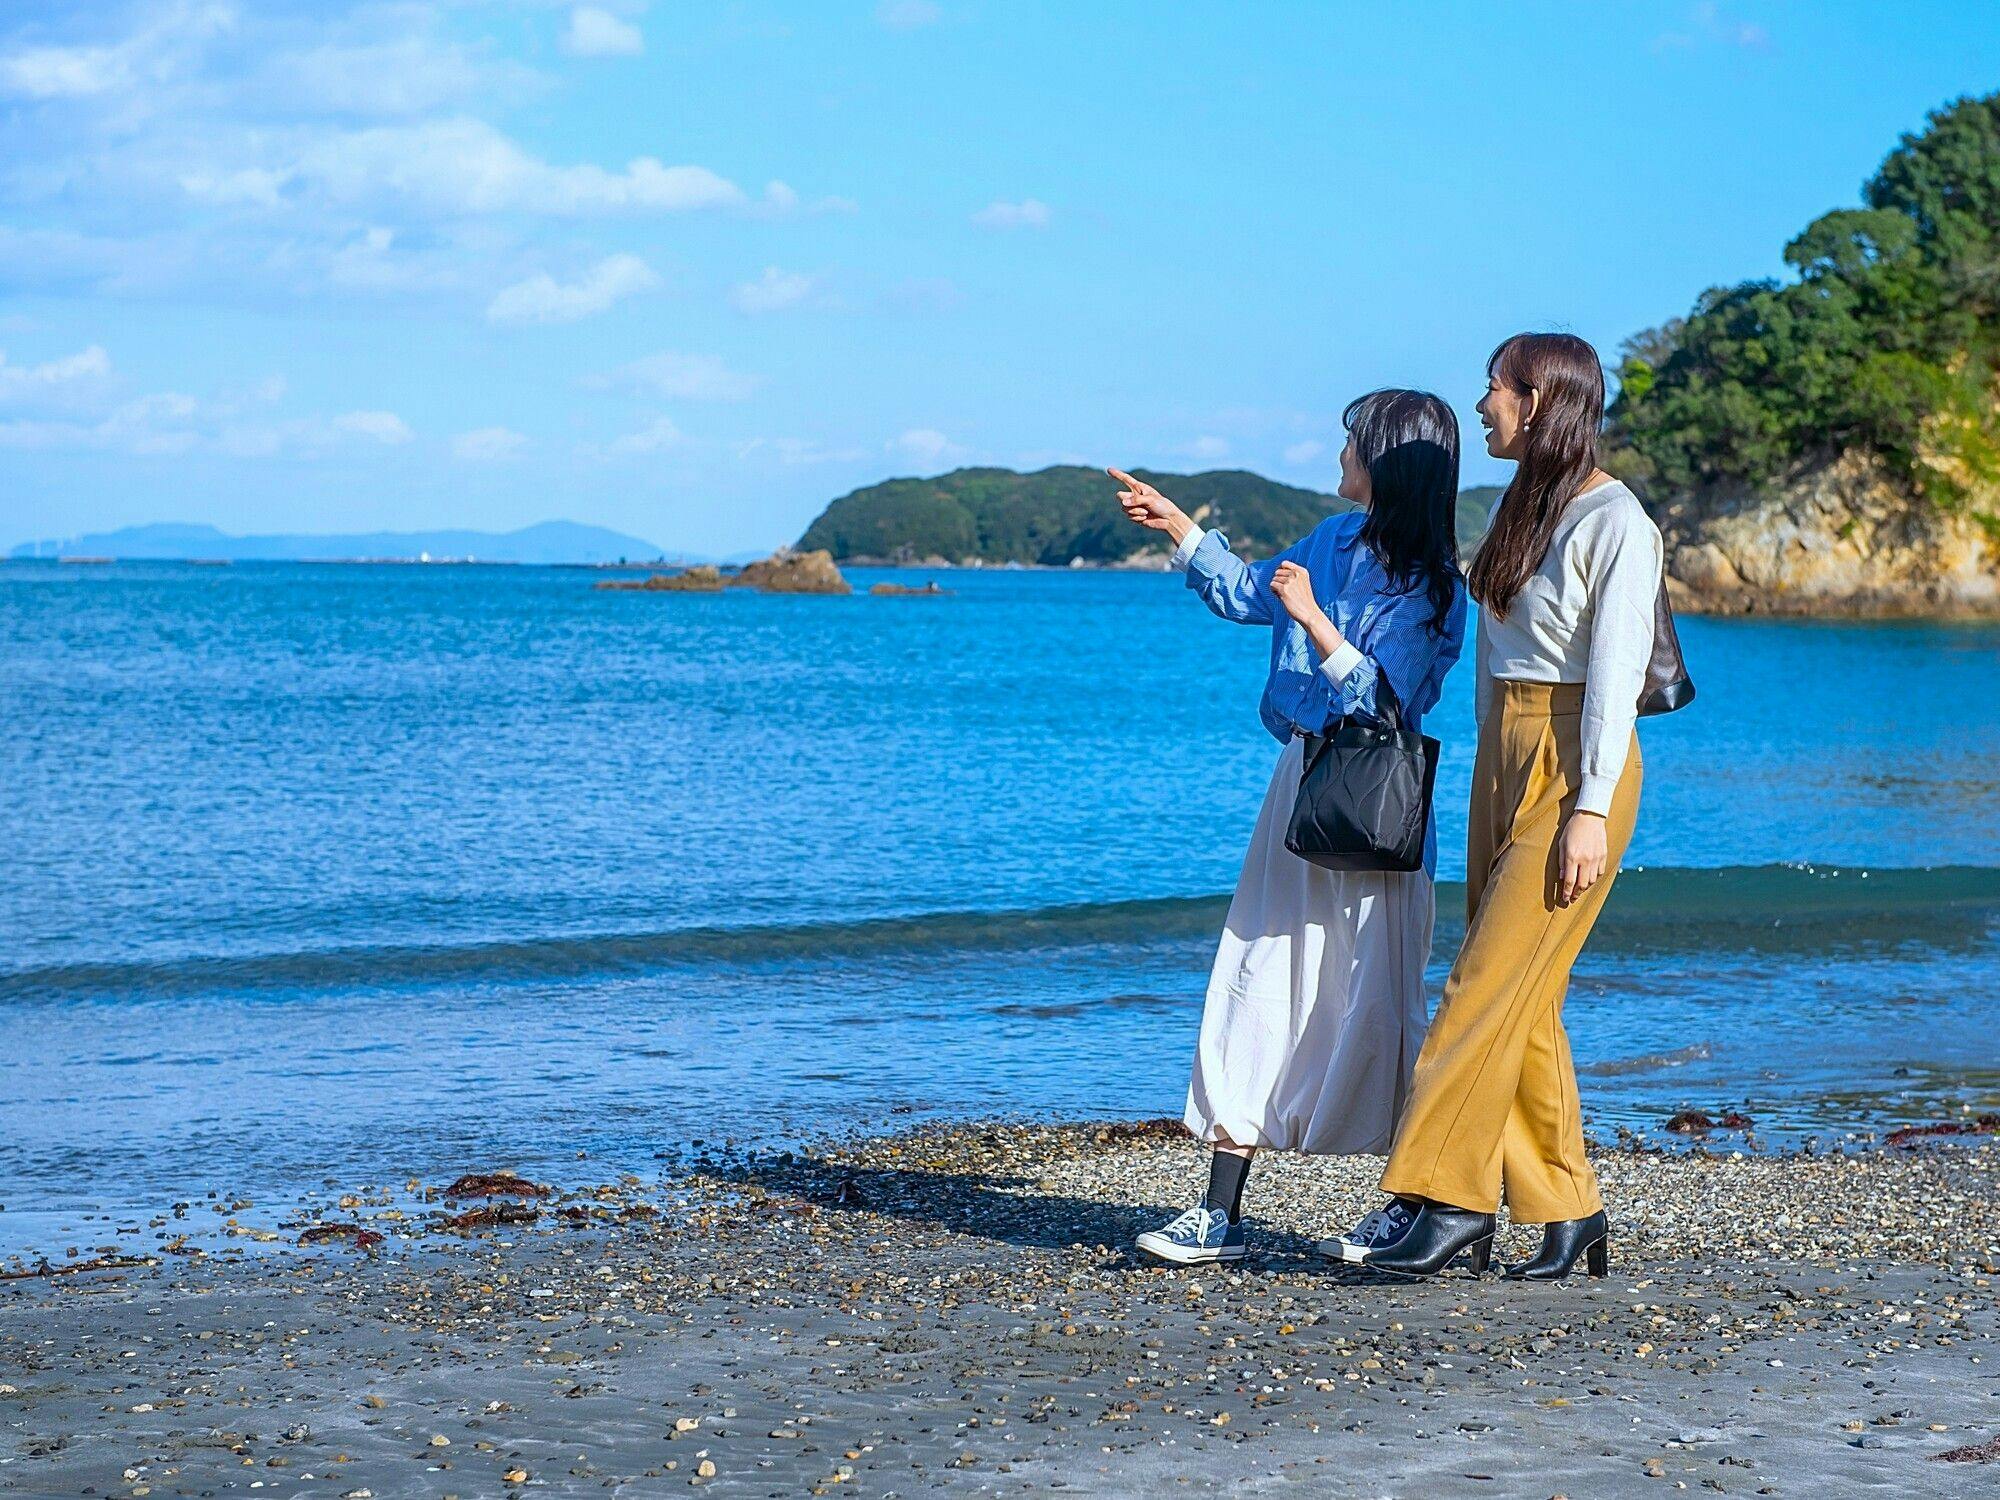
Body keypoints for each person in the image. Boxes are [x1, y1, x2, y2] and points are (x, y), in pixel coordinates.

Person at [1108, 388, 1468, 1266]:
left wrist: (1316, 620)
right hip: (1302, 779)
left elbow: (1390, 700)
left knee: (1374, 1001)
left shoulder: (1434, 587)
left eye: (1352, 445)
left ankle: (1410, 1205)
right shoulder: (1329, 542)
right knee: (1254, 975)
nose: (1338, 458)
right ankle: (1217, 1215)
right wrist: (1181, 530)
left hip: (1377, 798)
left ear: (1388, 461)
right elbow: (1242, 593)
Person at [1363, 332, 1663, 1281]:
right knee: (1523, 1000)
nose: (1483, 405)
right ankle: (1569, 1210)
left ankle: (1448, 1200)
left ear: (1539, 401)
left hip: (1580, 763)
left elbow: (1614, 677)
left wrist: (1587, 807)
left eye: (1494, 390)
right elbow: (1497, 656)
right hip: (1507, 747)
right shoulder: (1524, 508)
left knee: (1481, 987)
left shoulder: (1620, 522)